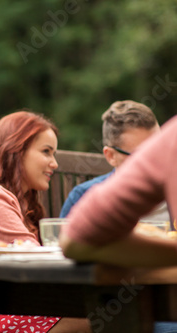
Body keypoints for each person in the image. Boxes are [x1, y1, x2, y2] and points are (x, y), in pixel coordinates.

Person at [0, 111, 91, 333]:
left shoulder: (20, 202)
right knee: (92, 317)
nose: (55, 163)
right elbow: (35, 263)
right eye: (46, 152)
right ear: (16, 152)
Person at [60, 114, 177, 333]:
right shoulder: (84, 195)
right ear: (110, 155)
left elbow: (75, 239)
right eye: (141, 155)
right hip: (125, 299)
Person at [60, 100, 169, 221]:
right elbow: (65, 239)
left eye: (158, 150)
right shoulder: (83, 198)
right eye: (142, 156)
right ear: (111, 156)